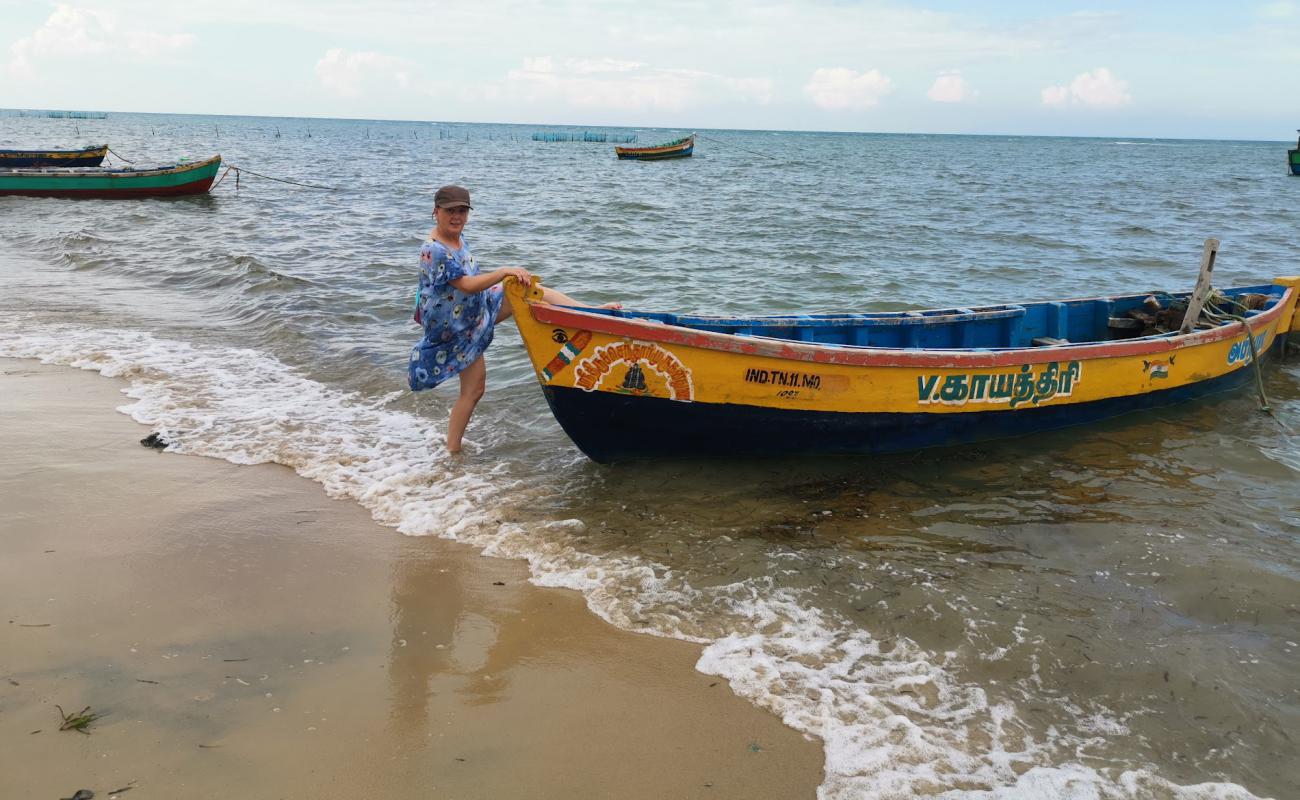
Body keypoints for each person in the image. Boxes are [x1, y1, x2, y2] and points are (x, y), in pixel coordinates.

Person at [408, 185, 617, 454]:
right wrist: (504, 271)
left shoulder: (456, 238)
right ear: (436, 211)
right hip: (455, 328)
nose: (457, 217)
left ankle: (589, 312)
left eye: (462, 211)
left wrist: (506, 278)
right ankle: (453, 451)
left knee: (527, 292)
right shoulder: (434, 249)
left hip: (474, 312)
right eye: (450, 211)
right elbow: (467, 284)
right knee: (473, 390)